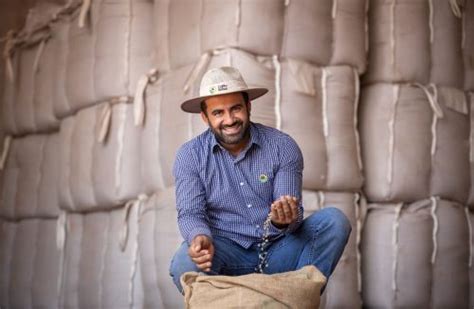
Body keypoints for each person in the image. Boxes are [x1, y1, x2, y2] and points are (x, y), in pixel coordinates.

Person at [170, 66, 351, 293]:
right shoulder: (190, 156)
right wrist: (199, 238)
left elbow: (293, 218)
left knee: (334, 220)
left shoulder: (281, 146)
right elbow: (190, 213)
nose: (229, 120)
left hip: (279, 253)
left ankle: (296, 297)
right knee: (184, 263)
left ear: (248, 106)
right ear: (205, 117)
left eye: (235, 108)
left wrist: (282, 220)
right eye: (218, 113)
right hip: (225, 254)